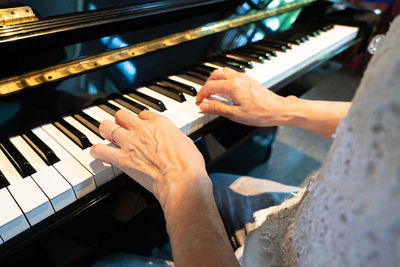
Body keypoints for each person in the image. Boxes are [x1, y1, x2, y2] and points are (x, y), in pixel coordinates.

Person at [91, 15, 400, 267]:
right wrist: (284, 107)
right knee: (218, 183)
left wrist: (178, 180)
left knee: (109, 263)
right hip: (309, 214)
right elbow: (382, 121)